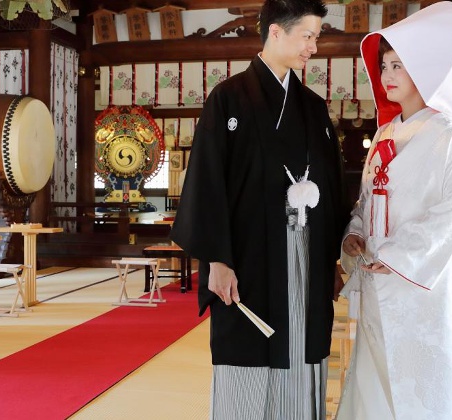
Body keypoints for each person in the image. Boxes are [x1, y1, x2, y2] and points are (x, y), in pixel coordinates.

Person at [169, 0, 348, 418]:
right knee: (249, 346)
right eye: (308, 36)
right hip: (247, 257)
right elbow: (207, 183)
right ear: (275, 32)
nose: (313, 48)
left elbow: (333, 188)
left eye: (316, 37)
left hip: (305, 254)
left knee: (303, 342)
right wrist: (217, 259)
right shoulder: (228, 100)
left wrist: (333, 259)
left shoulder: (314, 107)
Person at [335, 3, 452, 419]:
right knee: (376, 377)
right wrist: (353, 232)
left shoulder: (443, 136)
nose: (386, 76)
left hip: (417, 286)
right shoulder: (385, 133)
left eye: (398, 66)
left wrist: (400, 254)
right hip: (378, 277)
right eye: (384, 66)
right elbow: (368, 200)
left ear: (422, 69)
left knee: (422, 385)